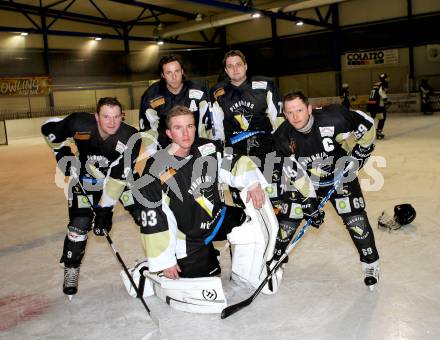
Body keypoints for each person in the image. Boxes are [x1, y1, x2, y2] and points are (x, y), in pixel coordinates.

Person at [123, 105, 321, 313]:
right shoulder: (156, 168)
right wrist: (165, 261)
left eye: (190, 126)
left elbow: (235, 163)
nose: (186, 133)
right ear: (169, 133)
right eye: (178, 128)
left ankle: (247, 271)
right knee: (206, 276)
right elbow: (154, 220)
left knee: (251, 225)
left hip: (218, 218)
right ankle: (145, 268)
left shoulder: (207, 147)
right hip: (188, 237)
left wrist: (252, 183)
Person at [273, 90, 380, 290]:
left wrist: (361, 153)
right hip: (308, 180)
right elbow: (293, 173)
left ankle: (370, 264)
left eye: (299, 110)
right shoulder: (282, 136)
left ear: (309, 108)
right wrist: (309, 203)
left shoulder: (335, 117)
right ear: (284, 114)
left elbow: (366, 125)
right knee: (288, 219)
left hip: (340, 174)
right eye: (290, 112)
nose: (295, 117)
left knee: (355, 219)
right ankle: (275, 259)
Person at [41, 97, 141, 299]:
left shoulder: (131, 138)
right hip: (86, 179)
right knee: (79, 223)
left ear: (122, 117)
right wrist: (62, 154)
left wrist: (105, 211)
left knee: (145, 213)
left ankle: (163, 260)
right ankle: (71, 268)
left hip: (119, 180)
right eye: (105, 117)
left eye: (116, 117)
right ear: (96, 117)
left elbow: (118, 179)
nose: (111, 123)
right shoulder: (79, 123)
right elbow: (48, 129)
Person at [210, 50, 284, 206]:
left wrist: (282, 145)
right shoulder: (217, 92)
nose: (235, 69)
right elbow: (216, 126)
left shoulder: (265, 85)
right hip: (235, 151)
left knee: (273, 196)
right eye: (230, 66)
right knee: (242, 201)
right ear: (225, 70)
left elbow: (277, 118)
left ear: (246, 66)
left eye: (238, 64)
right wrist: (218, 149)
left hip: (265, 147)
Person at [139, 55, 211, 156]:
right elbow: (147, 132)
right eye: (169, 73)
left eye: (177, 71)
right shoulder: (151, 96)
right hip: (166, 151)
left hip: (195, 149)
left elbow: (207, 126)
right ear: (163, 75)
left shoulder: (199, 91)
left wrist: (207, 150)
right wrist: (153, 157)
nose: (174, 77)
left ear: (182, 71)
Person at [367, 73, 389, 140]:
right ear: (384, 79)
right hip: (377, 105)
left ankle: (365, 132)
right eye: (386, 78)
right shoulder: (384, 83)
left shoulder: (376, 84)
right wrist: (386, 100)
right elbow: (381, 92)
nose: (388, 79)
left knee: (370, 120)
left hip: (370, 104)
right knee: (382, 118)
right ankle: (379, 131)